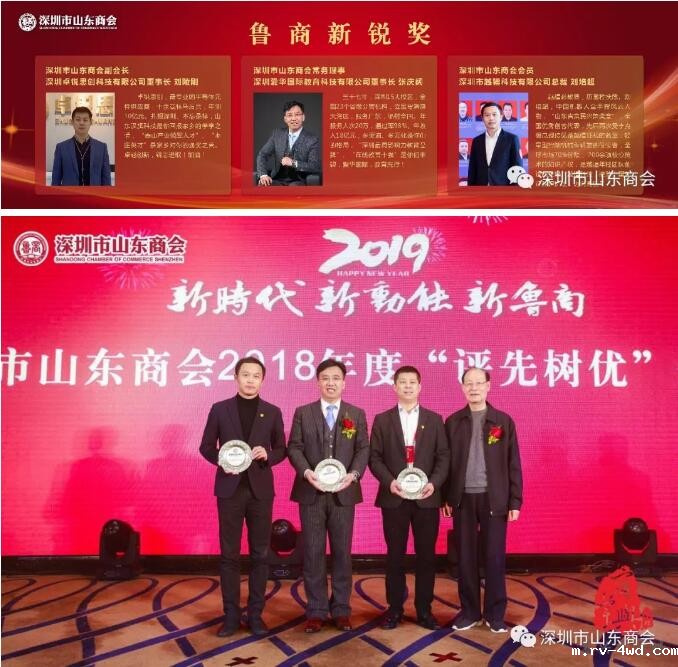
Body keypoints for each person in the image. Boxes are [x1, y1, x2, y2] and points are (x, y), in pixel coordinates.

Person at [199, 357, 286, 638]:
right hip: (230, 489)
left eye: (256, 375)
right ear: (236, 377)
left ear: (262, 380)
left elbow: (282, 449)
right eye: (245, 374)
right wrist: (221, 460)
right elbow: (205, 446)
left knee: (260, 554)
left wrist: (268, 455)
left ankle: (256, 615)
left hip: (260, 491)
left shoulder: (272, 411)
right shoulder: (220, 409)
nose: (250, 380)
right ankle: (231, 616)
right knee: (229, 555)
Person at [287, 358, 369, 633]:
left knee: (342, 553)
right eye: (325, 378)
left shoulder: (355, 414)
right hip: (311, 492)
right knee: (313, 553)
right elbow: (294, 447)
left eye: (336, 378)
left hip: (344, 493)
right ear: (318, 383)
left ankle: (342, 609)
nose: (331, 383)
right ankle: (316, 610)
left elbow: (363, 449)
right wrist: (307, 472)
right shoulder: (303, 412)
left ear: (344, 383)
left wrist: (353, 474)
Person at [369, 366, 449, 630]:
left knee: (426, 557)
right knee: (395, 556)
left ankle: (425, 611)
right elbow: (374, 457)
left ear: (420, 386)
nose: (407, 386)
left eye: (412, 382)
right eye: (402, 382)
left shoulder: (434, 419)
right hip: (395, 498)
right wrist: (389, 482)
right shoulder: (382, 419)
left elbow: (443, 457)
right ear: (394, 387)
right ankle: (394, 610)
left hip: (426, 498)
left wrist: (434, 483)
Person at [444, 367, 523, 633]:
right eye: (469, 383)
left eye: (479, 383)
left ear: (489, 386)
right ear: (462, 387)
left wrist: (515, 501)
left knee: (494, 558)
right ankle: (469, 612)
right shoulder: (453, 422)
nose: (474, 388)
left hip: (494, 498)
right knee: (465, 558)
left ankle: (495, 614)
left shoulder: (503, 421)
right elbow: (445, 463)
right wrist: (446, 497)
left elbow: (513, 463)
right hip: (462, 498)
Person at [256, 100, 321, 186]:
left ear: (303, 117)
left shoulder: (312, 139)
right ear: (285, 119)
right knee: (263, 185)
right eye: (290, 115)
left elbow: (315, 166)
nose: (293, 118)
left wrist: (293, 163)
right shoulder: (277, 134)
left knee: (294, 187)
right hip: (276, 179)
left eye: (297, 114)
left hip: (298, 181)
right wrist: (263, 175)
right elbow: (262, 154)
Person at [51, 106, 112, 186]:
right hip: (69, 194)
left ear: (91, 122)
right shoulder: (61, 148)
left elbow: (106, 179)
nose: (81, 123)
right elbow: (56, 180)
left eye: (85, 120)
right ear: (72, 122)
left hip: (94, 193)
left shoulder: (101, 148)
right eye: (78, 119)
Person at [467, 102, 523, 186]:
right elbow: (472, 169)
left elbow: (517, 169)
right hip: (480, 189)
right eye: (487, 115)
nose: (491, 118)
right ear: (482, 118)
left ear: (501, 116)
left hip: (503, 190)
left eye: (494, 114)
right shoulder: (477, 141)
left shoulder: (511, 139)